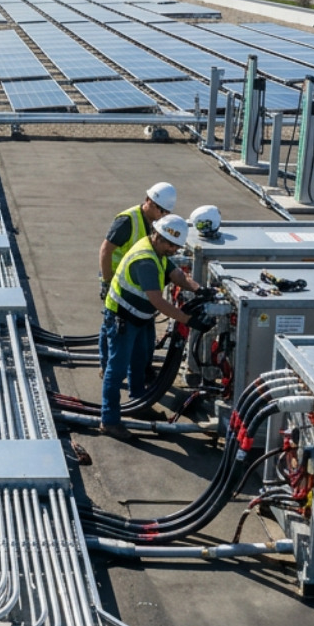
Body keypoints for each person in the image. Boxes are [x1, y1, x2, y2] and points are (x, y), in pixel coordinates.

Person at [98, 214, 200, 441]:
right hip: (123, 317)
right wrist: (187, 320)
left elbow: (176, 275)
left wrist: (199, 289)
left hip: (139, 317)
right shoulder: (145, 260)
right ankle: (109, 420)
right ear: (159, 236)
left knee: (141, 361)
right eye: (171, 245)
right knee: (117, 369)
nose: (174, 249)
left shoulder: (158, 251)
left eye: (177, 246)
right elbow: (158, 301)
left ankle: (139, 403)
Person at [97, 182, 176, 370]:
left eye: (166, 212)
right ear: (148, 200)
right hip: (117, 282)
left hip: (137, 284)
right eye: (160, 209)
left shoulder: (157, 224)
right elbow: (106, 251)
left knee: (138, 328)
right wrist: (107, 282)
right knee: (111, 325)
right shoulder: (127, 221)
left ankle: (139, 368)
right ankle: (106, 365)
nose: (162, 215)